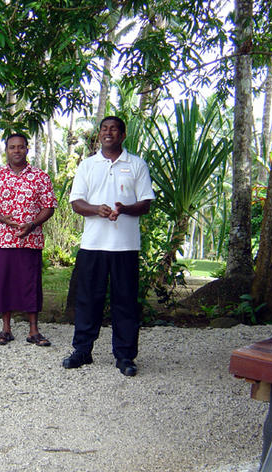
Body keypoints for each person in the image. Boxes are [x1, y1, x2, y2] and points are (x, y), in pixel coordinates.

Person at [62, 116, 154, 375]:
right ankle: (82, 350)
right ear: (99, 135)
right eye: (104, 129)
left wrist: (124, 208)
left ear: (123, 135)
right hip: (93, 245)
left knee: (125, 301)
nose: (108, 132)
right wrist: (96, 209)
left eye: (114, 129)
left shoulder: (136, 164)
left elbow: (145, 203)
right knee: (88, 299)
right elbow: (76, 203)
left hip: (125, 246)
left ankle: (125, 356)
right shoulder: (88, 165)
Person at [0, 133, 58, 347]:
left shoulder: (40, 177)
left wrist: (31, 224)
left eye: (20, 147)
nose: (16, 151)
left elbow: (49, 207)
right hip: (3, 239)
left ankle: (34, 330)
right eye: (12, 147)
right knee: (4, 282)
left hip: (31, 239)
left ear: (27, 149)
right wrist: (4, 220)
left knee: (30, 283)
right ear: (6, 150)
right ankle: (6, 328)